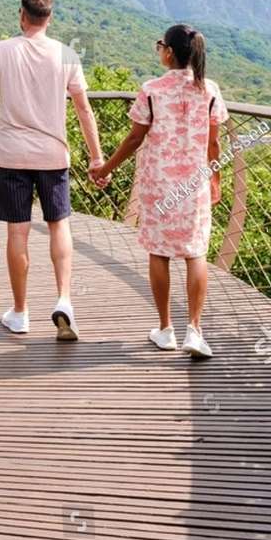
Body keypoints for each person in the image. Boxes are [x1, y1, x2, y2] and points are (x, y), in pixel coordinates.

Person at [0, 0, 106, 341]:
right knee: (59, 225)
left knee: (18, 231)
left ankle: (21, 312)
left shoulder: (0, 51)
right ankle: (65, 299)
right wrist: (97, 156)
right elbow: (84, 108)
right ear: (49, 18)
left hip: (11, 155)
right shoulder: (66, 54)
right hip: (53, 156)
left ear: (22, 15)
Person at [89, 25, 227, 360]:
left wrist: (105, 169)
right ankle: (195, 330)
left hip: (158, 184)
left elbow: (135, 138)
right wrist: (215, 178)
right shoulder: (209, 90)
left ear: (169, 52)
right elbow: (213, 142)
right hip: (194, 184)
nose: (159, 50)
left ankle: (165, 329)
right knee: (196, 253)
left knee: (159, 252)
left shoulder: (151, 89)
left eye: (160, 45)